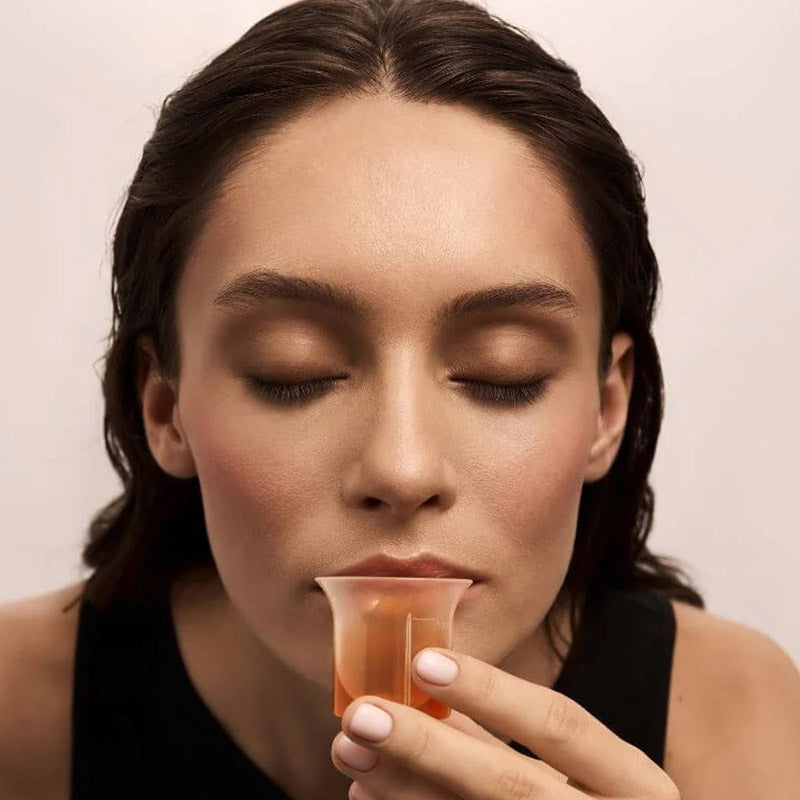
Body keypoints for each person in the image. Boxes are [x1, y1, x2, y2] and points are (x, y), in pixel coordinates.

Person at [2, 0, 800, 797]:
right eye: (293, 370)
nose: (403, 468)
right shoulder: (20, 713)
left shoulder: (735, 721)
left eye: (503, 373)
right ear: (164, 408)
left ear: (607, 408)